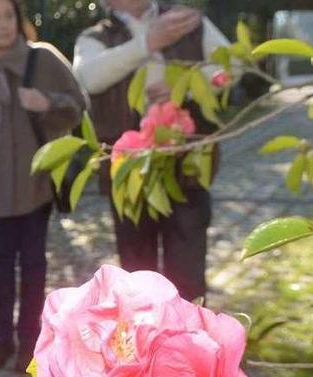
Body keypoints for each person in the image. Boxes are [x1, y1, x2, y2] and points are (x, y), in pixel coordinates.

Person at [0, 0, 83, 371]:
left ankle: (30, 342)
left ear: (18, 20)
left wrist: (47, 101)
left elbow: (78, 103)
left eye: (8, 16)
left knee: (34, 268)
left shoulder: (41, 59)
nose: (2, 24)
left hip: (34, 187)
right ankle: (2, 340)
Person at [73, 0, 231, 301]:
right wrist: (148, 42)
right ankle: (144, 345)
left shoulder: (186, 20)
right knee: (137, 276)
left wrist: (186, 87)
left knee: (188, 273)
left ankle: (189, 344)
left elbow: (230, 67)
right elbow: (88, 78)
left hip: (188, 166)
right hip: (129, 174)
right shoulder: (94, 37)